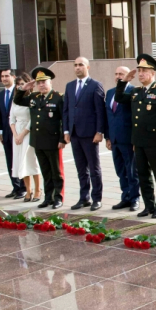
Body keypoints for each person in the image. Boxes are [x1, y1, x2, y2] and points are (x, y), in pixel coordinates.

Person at [114, 54, 156, 219]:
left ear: (152, 73)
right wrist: (124, 81)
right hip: (138, 141)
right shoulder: (136, 92)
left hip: (155, 142)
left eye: (144, 71)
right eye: (139, 70)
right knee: (143, 175)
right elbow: (119, 97)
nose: (140, 74)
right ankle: (149, 206)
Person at [14, 67, 66, 209]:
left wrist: (62, 139)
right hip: (38, 141)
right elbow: (18, 100)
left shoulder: (58, 97)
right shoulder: (34, 97)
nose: (41, 85)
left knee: (56, 172)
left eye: (44, 81)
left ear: (50, 82)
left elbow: (64, 120)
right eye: (39, 82)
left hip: (53, 141)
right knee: (45, 171)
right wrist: (24, 88)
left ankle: (58, 197)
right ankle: (48, 197)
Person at [63, 57, 106, 211]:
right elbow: (66, 110)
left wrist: (99, 131)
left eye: (81, 65)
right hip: (74, 133)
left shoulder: (95, 85)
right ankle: (84, 197)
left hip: (90, 134)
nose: (77, 67)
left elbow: (100, 111)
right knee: (81, 168)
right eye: (75, 65)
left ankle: (97, 198)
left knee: (94, 168)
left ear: (88, 67)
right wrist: (66, 131)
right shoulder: (69, 86)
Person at [105, 66, 141, 211]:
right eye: (116, 73)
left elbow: (135, 118)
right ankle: (125, 197)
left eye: (121, 74)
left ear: (129, 76)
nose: (118, 76)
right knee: (120, 170)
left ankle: (134, 198)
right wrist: (108, 137)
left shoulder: (133, 91)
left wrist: (134, 139)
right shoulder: (110, 93)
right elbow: (107, 116)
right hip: (114, 139)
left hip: (128, 138)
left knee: (132, 171)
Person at [10, 72, 42, 202]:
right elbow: (11, 119)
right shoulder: (16, 100)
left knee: (31, 161)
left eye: (23, 84)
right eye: (18, 85)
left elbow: (33, 118)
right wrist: (16, 135)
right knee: (20, 162)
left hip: (28, 132)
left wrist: (23, 134)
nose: (20, 86)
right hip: (17, 134)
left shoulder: (33, 98)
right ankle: (28, 190)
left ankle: (38, 190)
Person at [0, 69, 25, 199]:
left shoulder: (20, 91)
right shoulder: (0, 94)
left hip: (19, 132)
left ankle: (24, 188)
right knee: (10, 161)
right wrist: (1, 131)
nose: (4, 78)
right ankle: (15, 187)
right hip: (7, 134)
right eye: (2, 76)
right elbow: (2, 116)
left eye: (7, 76)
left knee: (20, 160)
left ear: (13, 77)